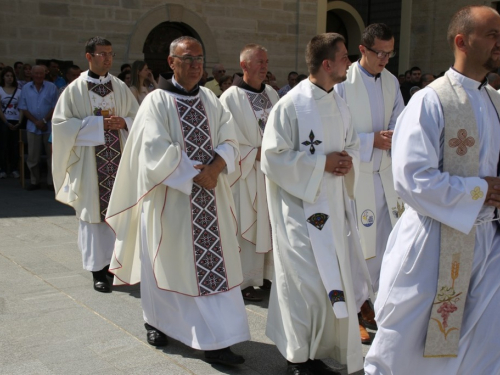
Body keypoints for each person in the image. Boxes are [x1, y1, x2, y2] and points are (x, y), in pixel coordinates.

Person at [365, 6, 500, 374]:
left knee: (483, 344)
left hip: (487, 243)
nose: (499, 43)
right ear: (462, 41)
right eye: (492, 35)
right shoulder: (431, 100)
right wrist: (479, 191)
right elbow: (411, 179)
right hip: (435, 242)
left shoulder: (493, 101)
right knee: (405, 347)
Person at [105, 36, 250, 366]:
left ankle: (219, 340)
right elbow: (151, 150)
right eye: (188, 59)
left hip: (211, 200)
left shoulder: (212, 101)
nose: (196, 65)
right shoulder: (156, 102)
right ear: (171, 63)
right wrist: (192, 174)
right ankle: (156, 322)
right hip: (171, 200)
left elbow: (230, 139)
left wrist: (215, 167)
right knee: (169, 265)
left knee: (215, 270)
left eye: (200, 58)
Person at [261, 33, 372, 375]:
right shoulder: (291, 105)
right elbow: (272, 157)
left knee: (329, 284)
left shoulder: (339, 102)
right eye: (344, 57)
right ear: (327, 64)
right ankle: (298, 357)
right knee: (304, 284)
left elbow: (351, 143)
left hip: (332, 209)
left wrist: (347, 159)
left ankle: (320, 349)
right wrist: (321, 163)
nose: (349, 63)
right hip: (298, 211)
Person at [334, 23, 405, 343]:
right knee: (355, 246)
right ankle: (352, 311)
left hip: (384, 176)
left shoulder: (391, 81)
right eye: (380, 53)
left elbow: (400, 118)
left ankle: (370, 302)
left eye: (390, 54)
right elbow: (335, 129)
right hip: (355, 177)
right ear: (362, 50)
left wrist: (393, 134)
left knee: (384, 245)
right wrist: (370, 140)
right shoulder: (342, 82)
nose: (385, 60)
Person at [52, 36, 138, 293]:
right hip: (90, 165)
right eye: (101, 54)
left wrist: (124, 123)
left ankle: (117, 265)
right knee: (93, 215)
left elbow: (138, 118)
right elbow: (61, 126)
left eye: (110, 53)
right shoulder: (75, 90)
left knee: (119, 213)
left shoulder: (120, 87)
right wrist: (96, 124)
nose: (107, 58)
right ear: (88, 57)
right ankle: (97, 271)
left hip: (119, 162)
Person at [220, 44, 279, 302]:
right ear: (244, 66)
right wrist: (252, 153)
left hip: (271, 172)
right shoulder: (230, 98)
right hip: (245, 176)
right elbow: (225, 139)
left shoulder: (273, 94)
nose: (264, 66)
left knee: (272, 223)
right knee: (247, 223)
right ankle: (244, 280)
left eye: (266, 61)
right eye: (259, 62)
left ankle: (267, 275)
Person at [18, 65, 58, 190]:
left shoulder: (52, 87)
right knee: (33, 157)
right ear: (32, 74)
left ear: (45, 74)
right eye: (36, 73)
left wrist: (44, 120)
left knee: (51, 156)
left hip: (49, 126)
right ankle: (34, 181)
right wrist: (36, 122)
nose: (39, 76)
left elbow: (55, 106)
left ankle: (51, 182)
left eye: (41, 73)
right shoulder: (25, 88)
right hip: (32, 126)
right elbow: (23, 107)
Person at [0, 66, 23, 179]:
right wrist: (6, 122)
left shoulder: (19, 91)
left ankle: (14, 168)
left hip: (16, 120)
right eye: (7, 76)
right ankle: (3, 169)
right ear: (3, 77)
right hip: (4, 120)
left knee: (15, 145)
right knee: (3, 145)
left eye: (11, 76)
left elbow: (22, 107)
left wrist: (19, 121)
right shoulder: (0, 90)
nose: (9, 78)